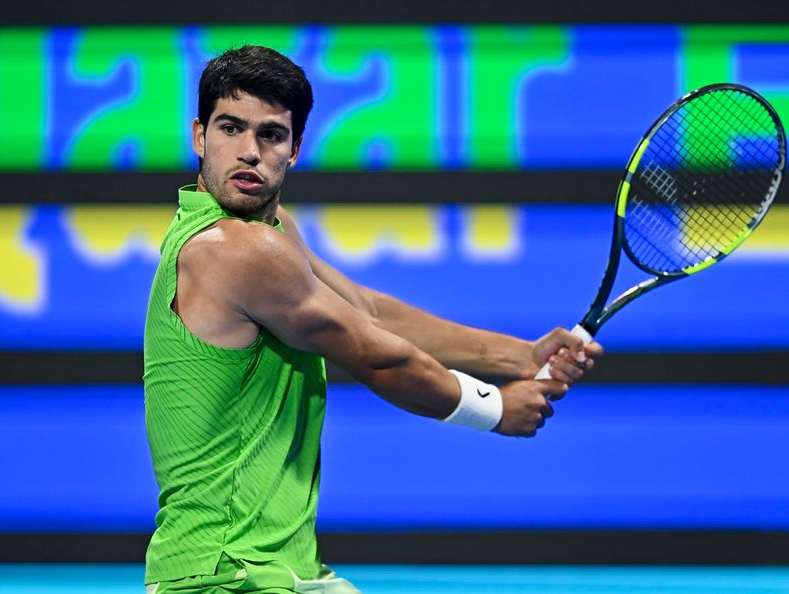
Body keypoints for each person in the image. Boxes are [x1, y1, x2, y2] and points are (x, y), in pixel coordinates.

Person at [143, 45, 603, 594]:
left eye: (270, 135)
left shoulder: (272, 230)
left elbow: (367, 310)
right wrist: (496, 408)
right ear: (199, 136)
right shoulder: (234, 250)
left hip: (273, 570)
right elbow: (376, 356)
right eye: (230, 128)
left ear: (294, 150)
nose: (249, 152)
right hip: (228, 575)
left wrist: (521, 356)